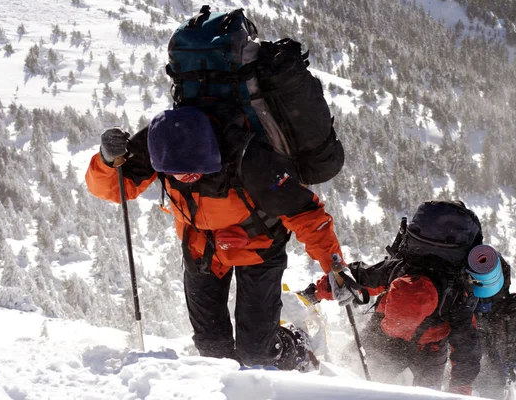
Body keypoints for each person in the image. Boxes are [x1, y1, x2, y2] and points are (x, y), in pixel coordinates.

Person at [85, 106, 345, 371]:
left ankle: (297, 345)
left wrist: (335, 265)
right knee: (211, 348)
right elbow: (114, 188)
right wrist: (107, 161)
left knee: (257, 350)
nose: (187, 178)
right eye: (178, 172)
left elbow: (306, 215)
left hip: (259, 246)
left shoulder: (250, 157)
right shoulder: (161, 141)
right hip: (202, 249)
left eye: (195, 170)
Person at [313, 200, 483, 395]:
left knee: (349, 377)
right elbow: (465, 347)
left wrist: (314, 293)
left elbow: (353, 276)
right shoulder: (454, 293)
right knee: (428, 395)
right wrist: (461, 389)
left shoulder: (399, 269)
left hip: (383, 338)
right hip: (429, 351)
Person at [472, 251, 516, 399]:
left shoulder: (509, 307)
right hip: (481, 363)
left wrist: (513, 361)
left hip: (483, 364)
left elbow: (514, 335)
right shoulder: (509, 307)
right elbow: (514, 335)